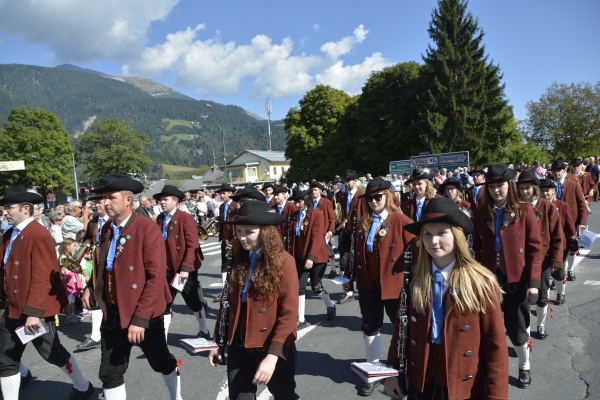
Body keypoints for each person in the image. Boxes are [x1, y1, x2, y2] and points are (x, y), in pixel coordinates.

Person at [384, 198, 507, 400]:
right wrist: (392, 373)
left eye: (442, 233)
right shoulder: (415, 278)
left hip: (463, 387)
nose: (433, 241)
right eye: (427, 234)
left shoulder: (481, 282)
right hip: (421, 383)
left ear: (457, 235)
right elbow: (401, 329)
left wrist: (496, 396)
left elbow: (496, 347)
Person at [81, 174, 182, 400]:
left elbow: (156, 278)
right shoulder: (106, 227)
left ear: (128, 200)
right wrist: (90, 285)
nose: (105, 202)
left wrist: (140, 320)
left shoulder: (147, 228)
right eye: (104, 198)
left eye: (111, 198)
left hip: (143, 313)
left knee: (160, 362)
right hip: (113, 312)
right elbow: (103, 264)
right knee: (110, 372)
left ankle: (177, 397)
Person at [0, 186, 94, 400]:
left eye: (9, 207)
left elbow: (43, 276)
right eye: (4, 207)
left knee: (52, 353)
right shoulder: (9, 234)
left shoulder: (38, 233)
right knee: (6, 358)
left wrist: (34, 312)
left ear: (25, 208)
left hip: (35, 310)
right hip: (12, 309)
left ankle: (83, 386)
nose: (5, 212)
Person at [208, 201, 299, 400]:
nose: (242, 237)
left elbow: (289, 313)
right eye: (239, 231)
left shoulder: (284, 261)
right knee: (239, 396)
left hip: (271, 344)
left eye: (249, 232)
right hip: (239, 343)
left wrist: (273, 356)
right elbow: (227, 304)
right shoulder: (239, 258)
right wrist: (218, 340)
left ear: (265, 232)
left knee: (284, 395)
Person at [472, 164, 543, 389]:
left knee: (516, 326)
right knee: (488, 327)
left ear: (509, 185)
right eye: (491, 186)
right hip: (490, 277)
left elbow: (534, 249)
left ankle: (524, 365)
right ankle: (491, 369)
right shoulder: (481, 211)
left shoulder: (524, 210)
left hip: (517, 277)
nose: (496, 190)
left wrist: (533, 284)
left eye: (500, 185)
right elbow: (476, 246)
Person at [344, 177, 415, 396]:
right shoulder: (363, 222)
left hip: (395, 285)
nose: (374, 201)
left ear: (388, 197)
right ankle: (374, 372)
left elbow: (415, 253)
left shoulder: (401, 220)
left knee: (401, 327)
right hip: (368, 284)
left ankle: (404, 371)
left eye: (378, 197)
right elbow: (356, 254)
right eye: (370, 198)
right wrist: (349, 275)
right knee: (370, 326)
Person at [154, 185, 208, 340]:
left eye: (165, 199)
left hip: (183, 267)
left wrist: (185, 268)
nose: (162, 202)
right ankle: (161, 339)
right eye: (161, 200)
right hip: (165, 268)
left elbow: (193, 245)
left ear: (175, 201)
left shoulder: (186, 218)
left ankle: (204, 330)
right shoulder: (159, 218)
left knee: (192, 301)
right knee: (164, 303)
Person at [516, 171, 563, 340]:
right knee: (524, 299)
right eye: (521, 188)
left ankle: (541, 324)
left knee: (542, 297)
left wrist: (556, 260)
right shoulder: (516, 207)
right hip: (521, 260)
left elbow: (558, 235)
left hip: (543, 260)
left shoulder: (547, 206)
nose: (524, 192)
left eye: (527, 188)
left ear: (534, 188)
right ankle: (525, 333)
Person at [289, 188, 336, 328]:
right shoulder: (294, 215)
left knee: (316, 286)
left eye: (299, 201)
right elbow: (292, 237)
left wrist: (311, 258)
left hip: (317, 257)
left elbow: (316, 238)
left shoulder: (317, 214)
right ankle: (301, 319)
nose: (297, 204)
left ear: (306, 200)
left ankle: (330, 305)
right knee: (299, 287)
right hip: (299, 257)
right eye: (296, 201)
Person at [76, 195, 108, 351]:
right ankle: (96, 336)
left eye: (99, 202)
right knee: (95, 297)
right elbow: (88, 239)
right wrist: (81, 253)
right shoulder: (94, 222)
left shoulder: (116, 220)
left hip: (114, 266)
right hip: (97, 266)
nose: (96, 205)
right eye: (95, 203)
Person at [539, 179, 579, 305]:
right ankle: (543, 296)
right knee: (543, 274)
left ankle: (560, 293)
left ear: (553, 191)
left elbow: (569, 227)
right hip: (544, 247)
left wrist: (573, 245)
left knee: (558, 272)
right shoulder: (536, 207)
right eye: (542, 191)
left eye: (547, 191)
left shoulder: (562, 206)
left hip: (560, 246)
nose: (545, 193)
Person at [337, 169, 364, 304]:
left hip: (357, 231)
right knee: (343, 261)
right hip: (346, 231)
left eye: (348, 181)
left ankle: (361, 288)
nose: (346, 183)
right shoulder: (343, 195)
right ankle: (348, 291)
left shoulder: (361, 195)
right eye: (345, 181)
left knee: (357, 260)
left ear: (355, 181)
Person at [216, 183, 238, 300]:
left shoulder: (235, 206)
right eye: (221, 193)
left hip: (233, 238)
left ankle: (233, 290)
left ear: (230, 193)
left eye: (224, 193)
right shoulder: (222, 206)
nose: (221, 195)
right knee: (224, 265)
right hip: (225, 238)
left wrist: (233, 239)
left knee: (234, 264)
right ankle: (225, 289)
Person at [58, 238, 84, 324]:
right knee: (68, 300)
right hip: (68, 280)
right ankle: (68, 316)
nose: (74, 247)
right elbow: (62, 270)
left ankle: (72, 314)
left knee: (72, 299)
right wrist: (64, 279)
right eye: (74, 245)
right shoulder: (63, 257)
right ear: (67, 246)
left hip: (73, 279)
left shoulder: (69, 256)